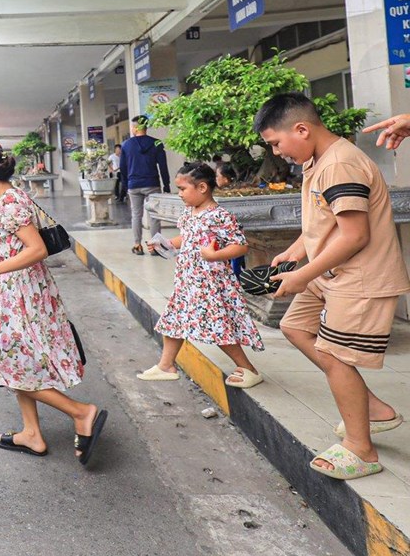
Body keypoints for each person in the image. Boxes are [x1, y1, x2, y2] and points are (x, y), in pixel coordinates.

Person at [258, 93, 409, 481]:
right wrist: (293, 253)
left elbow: (354, 236)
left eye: (276, 143)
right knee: (295, 327)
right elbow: (323, 223)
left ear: (302, 129)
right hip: (331, 274)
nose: (277, 152)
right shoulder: (316, 160)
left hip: (359, 278)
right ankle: (372, 408)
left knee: (336, 356)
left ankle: (361, 449)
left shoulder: (340, 164)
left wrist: (301, 276)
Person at [0, 144, 108, 466]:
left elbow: (37, 249)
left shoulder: (10, 205)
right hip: (20, 290)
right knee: (17, 363)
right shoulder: (10, 199)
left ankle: (80, 412)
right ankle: (31, 433)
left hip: (22, 295)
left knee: (11, 366)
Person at [137, 163, 264, 386]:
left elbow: (240, 246)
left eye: (183, 189)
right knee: (173, 321)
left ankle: (248, 369)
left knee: (218, 328)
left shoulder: (219, 215)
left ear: (202, 187)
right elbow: (187, 239)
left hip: (210, 283)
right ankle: (165, 365)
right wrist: (164, 244)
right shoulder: (189, 213)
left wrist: (214, 255)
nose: (180, 194)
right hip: (188, 280)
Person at [120, 115, 170, 255]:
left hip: (133, 184)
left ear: (136, 128)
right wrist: (166, 184)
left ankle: (137, 245)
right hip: (152, 183)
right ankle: (155, 247)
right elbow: (163, 166)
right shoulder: (156, 143)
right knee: (154, 216)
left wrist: (125, 185)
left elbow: (123, 168)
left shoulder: (126, 145)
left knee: (136, 215)